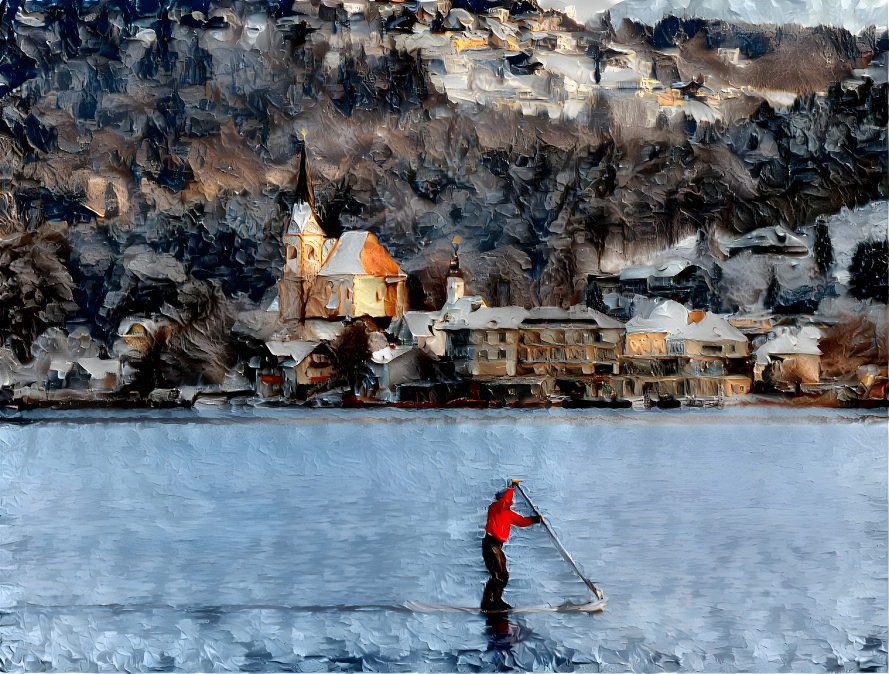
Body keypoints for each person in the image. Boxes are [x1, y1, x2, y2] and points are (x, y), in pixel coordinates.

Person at [481, 479, 542, 612]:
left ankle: (496, 600)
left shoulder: (508, 513)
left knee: (503, 576)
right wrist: (511, 487)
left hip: (498, 547)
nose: (511, 501)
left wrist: (535, 519)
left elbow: (521, 521)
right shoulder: (495, 507)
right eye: (509, 498)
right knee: (497, 575)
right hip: (490, 545)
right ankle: (488, 603)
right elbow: (504, 501)